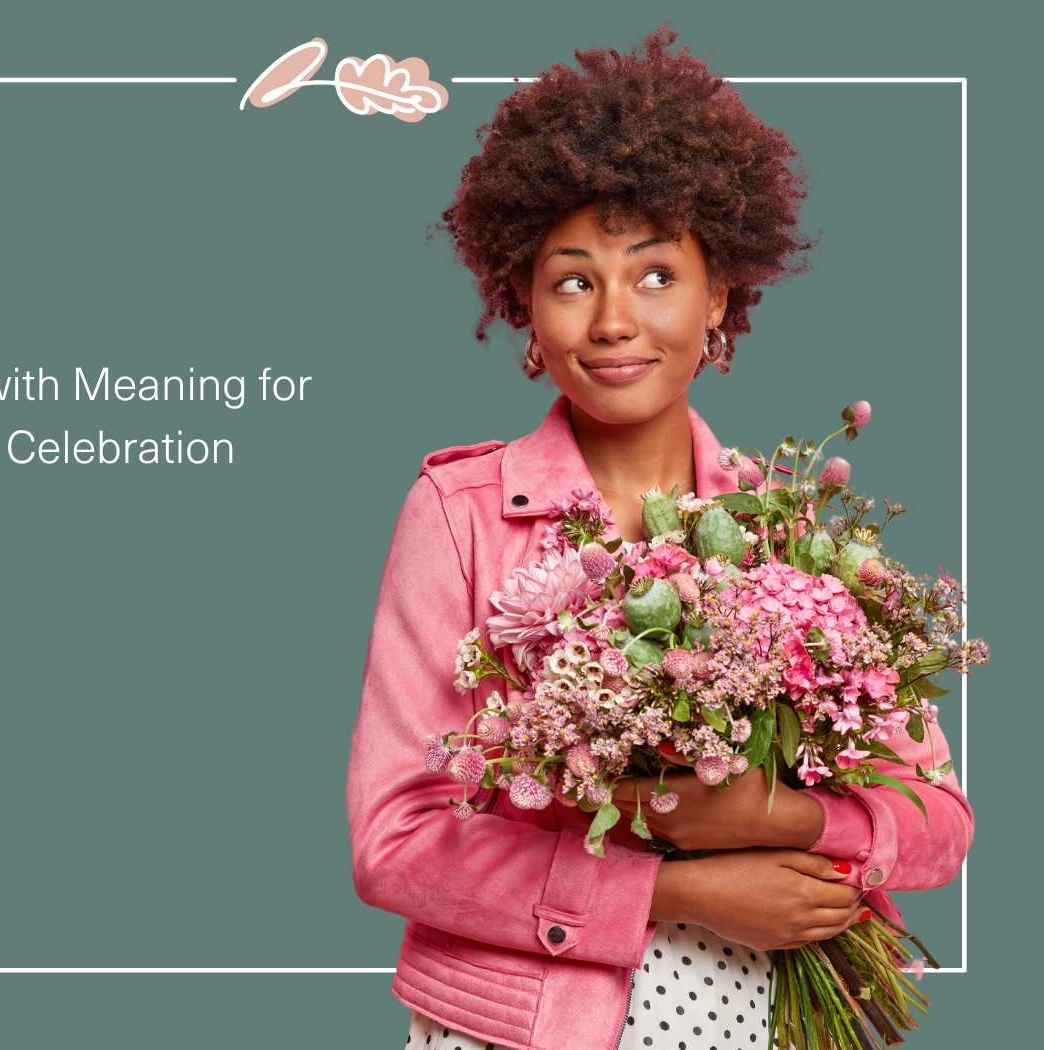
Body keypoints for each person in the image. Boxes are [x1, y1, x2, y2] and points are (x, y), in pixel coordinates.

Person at [344, 26, 973, 1050]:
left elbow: (937, 824)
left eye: (651, 276)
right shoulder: (456, 512)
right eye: (572, 281)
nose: (610, 323)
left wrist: (776, 823)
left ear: (716, 294)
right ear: (525, 308)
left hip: (768, 1010)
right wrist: (669, 894)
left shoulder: (791, 530)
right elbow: (395, 839)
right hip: (521, 1025)